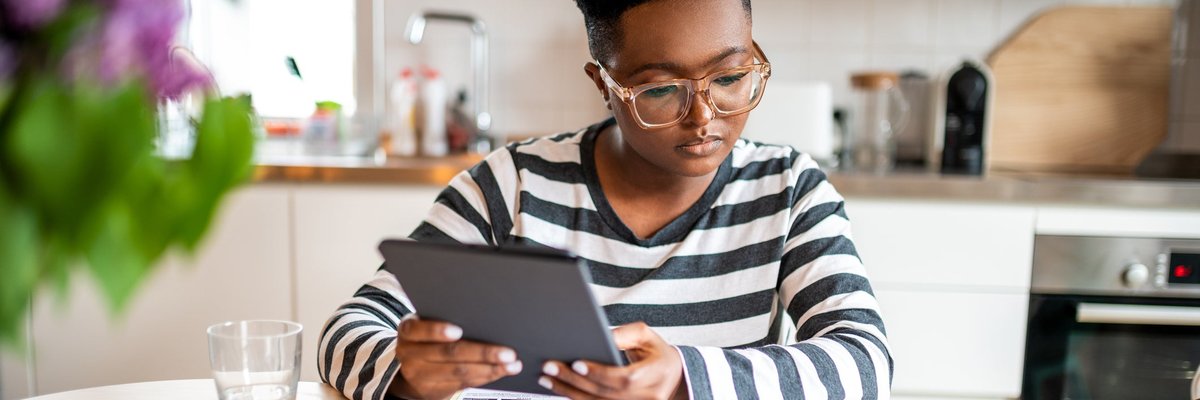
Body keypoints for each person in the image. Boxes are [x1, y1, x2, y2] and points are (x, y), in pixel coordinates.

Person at [318, 0, 893, 398]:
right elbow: (346, 331)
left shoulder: (787, 188)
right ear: (604, 85)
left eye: (731, 76)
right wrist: (410, 376)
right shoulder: (513, 185)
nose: (705, 117)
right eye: (661, 90)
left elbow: (864, 362)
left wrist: (681, 380)